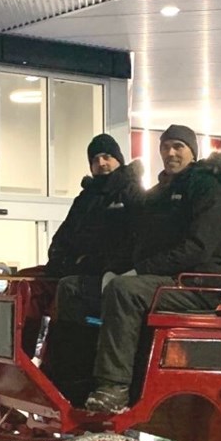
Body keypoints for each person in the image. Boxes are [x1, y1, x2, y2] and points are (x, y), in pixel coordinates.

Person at [86, 126, 221, 413]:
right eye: (165, 147)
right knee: (75, 288)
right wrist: (112, 269)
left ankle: (114, 387)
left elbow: (197, 247)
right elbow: (138, 227)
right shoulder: (164, 189)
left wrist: (138, 272)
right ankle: (71, 375)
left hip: (196, 286)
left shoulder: (208, 188)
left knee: (124, 290)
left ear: (193, 151)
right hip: (166, 279)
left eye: (178, 146)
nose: (170, 153)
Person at [48, 133, 142, 326]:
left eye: (107, 157)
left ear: (118, 160)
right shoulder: (84, 199)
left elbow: (131, 240)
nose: (101, 163)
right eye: (95, 159)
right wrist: (60, 262)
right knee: (32, 284)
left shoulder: (132, 194)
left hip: (110, 273)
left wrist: (93, 262)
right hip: (77, 270)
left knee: (69, 289)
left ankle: (73, 351)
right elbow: (63, 237)